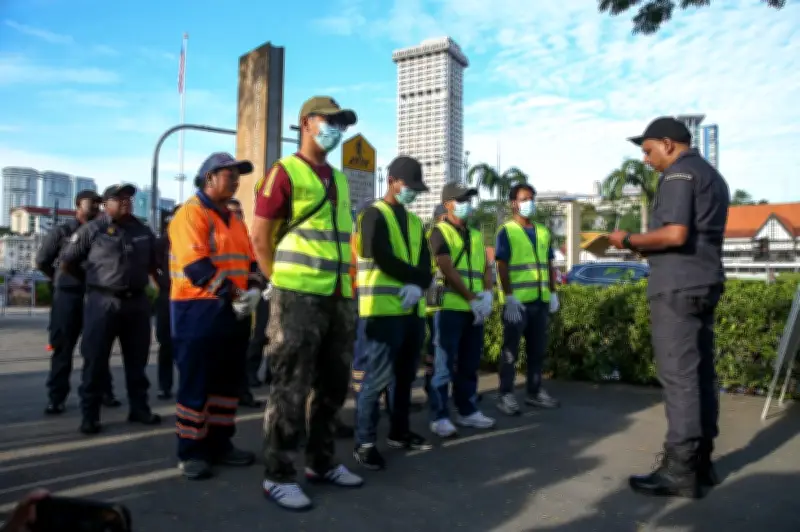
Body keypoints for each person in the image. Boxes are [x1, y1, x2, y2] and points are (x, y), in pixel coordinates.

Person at [251, 96, 364, 511]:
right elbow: (260, 237)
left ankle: (322, 461)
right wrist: (277, 283)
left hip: (338, 296)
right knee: (290, 387)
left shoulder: (339, 179)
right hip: (297, 296)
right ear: (306, 123)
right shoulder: (285, 172)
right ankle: (278, 474)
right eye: (329, 120)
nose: (336, 128)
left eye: (342, 123)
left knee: (333, 385)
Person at [609, 116, 730, 499]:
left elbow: (675, 233)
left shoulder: (678, 175)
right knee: (700, 376)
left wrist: (628, 239)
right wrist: (645, 244)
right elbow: (690, 236)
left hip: (677, 287)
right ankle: (701, 463)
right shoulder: (711, 175)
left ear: (668, 143)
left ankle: (679, 470)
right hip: (703, 281)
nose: (646, 160)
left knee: (679, 380)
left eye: (648, 151)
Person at [169, 153, 263, 480]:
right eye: (230, 174)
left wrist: (253, 288)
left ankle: (221, 444)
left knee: (226, 383)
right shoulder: (190, 215)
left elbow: (250, 261)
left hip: (231, 312)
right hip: (197, 311)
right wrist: (238, 296)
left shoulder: (234, 218)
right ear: (209, 177)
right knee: (197, 384)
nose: (236, 180)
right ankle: (192, 451)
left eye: (239, 175)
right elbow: (196, 268)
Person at [351, 156, 434, 470]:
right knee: (376, 379)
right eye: (409, 186)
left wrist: (420, 281)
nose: (412, 192)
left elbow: (426, 259)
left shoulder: (414, 222)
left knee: (404, 377)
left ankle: (399, 432)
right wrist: (413, 280)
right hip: (383, 311)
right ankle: (365, 441)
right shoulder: (373, 214)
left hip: (411, 311)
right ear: (393, 180)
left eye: (416, 188)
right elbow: (378, 254)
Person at [59, 184, 161, 435]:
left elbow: (154, 264)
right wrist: (92, 283)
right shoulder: (92, 229)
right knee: (95, 361)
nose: (126, 202)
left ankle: (139, 408)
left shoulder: (142, 229)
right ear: (106, 204)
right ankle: (90, 415)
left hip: (136, 303)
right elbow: (67, 262)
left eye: (129, 198)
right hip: (102, 303)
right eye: (119, 198)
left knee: (137, 361)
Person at [36, 190, 121, 414]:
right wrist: (59, 280)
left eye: (98, 203)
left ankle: (105, 393)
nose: (95, 206)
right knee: (63, 348)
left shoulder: (104, 232)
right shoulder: (62, 232)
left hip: (95, 296)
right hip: (68, 296)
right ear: (77, 204)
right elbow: (42, 261)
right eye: (90, 202)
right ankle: (56, 397)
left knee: (97, 349)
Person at [427, 183, 495, 438]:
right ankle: (440, 416)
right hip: (450, 308)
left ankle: (467, 411)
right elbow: (445, 266)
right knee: (443, 364)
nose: (467, 204)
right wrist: (470, 298)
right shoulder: (438, 231)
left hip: (474, 309)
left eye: (469, 199)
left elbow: (486, 267)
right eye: (461, 199)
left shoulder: (476, 235)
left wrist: (487, 293)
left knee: (469, 363)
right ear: (448, 204)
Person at [495, 183, 561, 416]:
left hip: (540, 301)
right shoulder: (507, 231)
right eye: (524, 199)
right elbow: (501, 265)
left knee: (537, 350)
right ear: (513, 203)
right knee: (510, 352)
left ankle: (534, 392)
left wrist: (553, 292)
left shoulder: (542, 231)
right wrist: (509, 296)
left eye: (531, 198)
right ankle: (505, 395)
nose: (529, 203)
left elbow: (549, 264)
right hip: (518, 304)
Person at [226, 197, 264, 410]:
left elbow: (252, 264)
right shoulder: (218, 235)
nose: (237, 216)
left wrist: (254, 288)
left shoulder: (243, 235)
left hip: (243, 301)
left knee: (241, 349)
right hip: (220, 301)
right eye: (233, 212)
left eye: (240, 212)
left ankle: (243, 393)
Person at [154, 206, 180, 400]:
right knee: (166, 345)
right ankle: (165, 386)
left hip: (189, 298)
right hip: (167, 297)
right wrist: (161, 285)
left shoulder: (197, 239)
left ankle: (189, 385)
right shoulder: (163, 242)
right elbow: (152, 268)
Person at [422, 204, 447, 400]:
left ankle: (436, 385)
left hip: (439, 292)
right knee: (437, 343)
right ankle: (432, 386)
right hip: (436, 293)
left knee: (440, 343)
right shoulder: (434, 235)